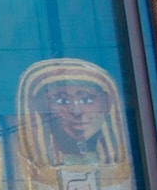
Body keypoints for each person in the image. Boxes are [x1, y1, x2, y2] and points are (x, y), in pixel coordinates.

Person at [14, 58, 132, 190]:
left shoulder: (132, 167)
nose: (77, 111)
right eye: (61, 100)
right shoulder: (17, 168)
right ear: (37, 106)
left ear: (107, 103)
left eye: (87, 99)